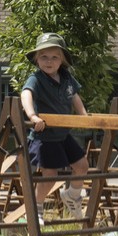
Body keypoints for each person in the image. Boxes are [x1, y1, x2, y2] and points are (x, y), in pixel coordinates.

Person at [19, 32, 91, 218]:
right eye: (43, 57)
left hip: (63, 134)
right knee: (50, 176)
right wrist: (33, 116)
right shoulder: (36, 79)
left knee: (82, 165)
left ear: (62, 61)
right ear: (37, 59)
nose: (49, 61)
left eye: (54, 57)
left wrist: (83, 114)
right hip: (45, 136)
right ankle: (36, 210)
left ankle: (72, 195)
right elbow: (26, 94)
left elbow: (74, 96)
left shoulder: (66, 78)